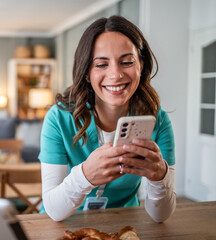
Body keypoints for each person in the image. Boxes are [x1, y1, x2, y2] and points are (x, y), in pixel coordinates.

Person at [39, 15, 176, 222]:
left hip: (123, 226)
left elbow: (160, 216)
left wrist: (160, 177)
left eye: (127, 62)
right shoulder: (58, 119)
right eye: (101, 65)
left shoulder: (158, 121)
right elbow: (54, 210)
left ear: (141, 65)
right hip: (65, 228)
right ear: (86, 72)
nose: (115, 74)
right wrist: (85, 175)